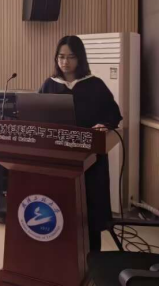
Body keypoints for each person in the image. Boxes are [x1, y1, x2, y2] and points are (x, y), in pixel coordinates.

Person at [39, 35, 122, 252]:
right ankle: (61, 257)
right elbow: (36, 114)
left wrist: (104, 125)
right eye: (61, 57)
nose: (65, 62)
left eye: (71, 57)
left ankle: (93, 260)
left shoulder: (95, 85)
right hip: (59, 159)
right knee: (60, 210)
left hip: (89, 159)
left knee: (89, 211)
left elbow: (114, 114)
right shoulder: (50, 84)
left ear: (80, 58)